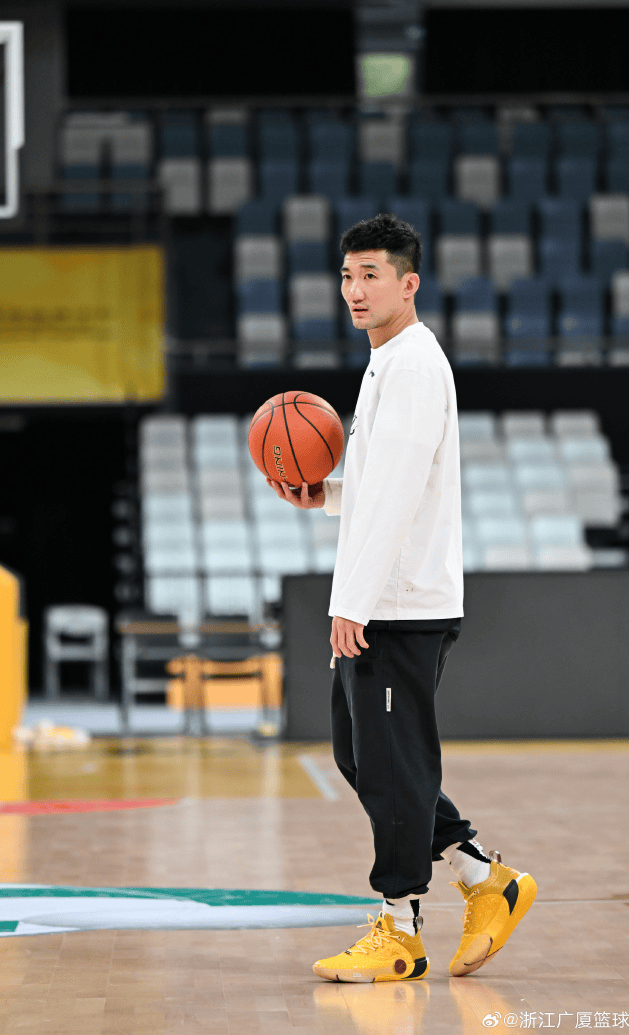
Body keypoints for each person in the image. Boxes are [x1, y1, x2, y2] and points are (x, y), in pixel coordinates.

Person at [266, 213, 536, 983]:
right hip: (384, 600)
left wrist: (352, 601)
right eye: (346, 276)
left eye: (371, 275)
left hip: (398, 604)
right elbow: (380, 485)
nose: (355, 290)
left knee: (390, 766)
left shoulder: (414, 365)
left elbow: (397, 498)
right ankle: (485, 876)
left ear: (408, 283)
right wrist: (325, 495)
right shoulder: (388, 361)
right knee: (365, 757)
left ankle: (400, 929)